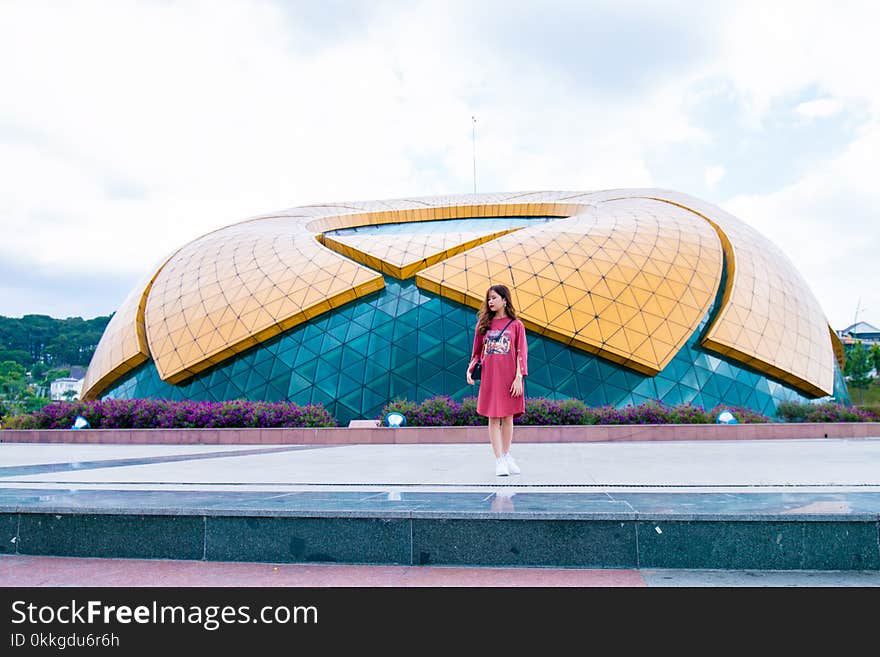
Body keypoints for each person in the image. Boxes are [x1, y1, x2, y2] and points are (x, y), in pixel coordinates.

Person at [466, 284, 528, 476]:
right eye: (489, 299)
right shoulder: (483, 325)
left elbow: (521, 353)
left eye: (494, 298)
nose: (490, 302)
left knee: (508, 418)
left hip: (510, 377)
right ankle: (499, 459)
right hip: (490, 377)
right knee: (493, 418)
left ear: (504, 300)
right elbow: (476, 353)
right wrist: (470, 370)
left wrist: (519, 378)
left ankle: (507, 454)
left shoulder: (516, 325)